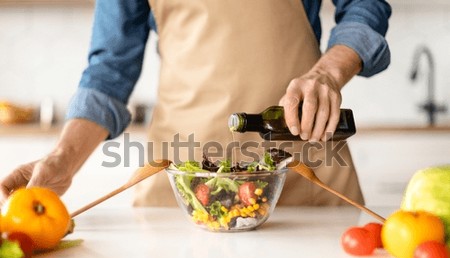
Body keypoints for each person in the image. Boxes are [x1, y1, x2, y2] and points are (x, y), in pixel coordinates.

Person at [0, 0, 391, 206]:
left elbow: (365, 5)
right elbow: (109, 71)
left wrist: (327, 73)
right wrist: (61, 161)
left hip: (303, 170)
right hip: (181, 186)